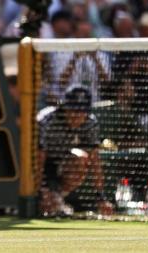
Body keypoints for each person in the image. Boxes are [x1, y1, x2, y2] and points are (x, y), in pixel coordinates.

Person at [36, 84, 113, 216]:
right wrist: (41, 192)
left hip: (61, 164)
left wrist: (101, 198)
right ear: (65, 107)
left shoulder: (90, 123)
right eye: (73, 110)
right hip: (34, 166)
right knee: (43, 203)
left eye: (82, 111)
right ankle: (43, 198)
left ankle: (57, 197)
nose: (77, 115)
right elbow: (38, 160)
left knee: (81, 158)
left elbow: (95, 161)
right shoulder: (46, 120)